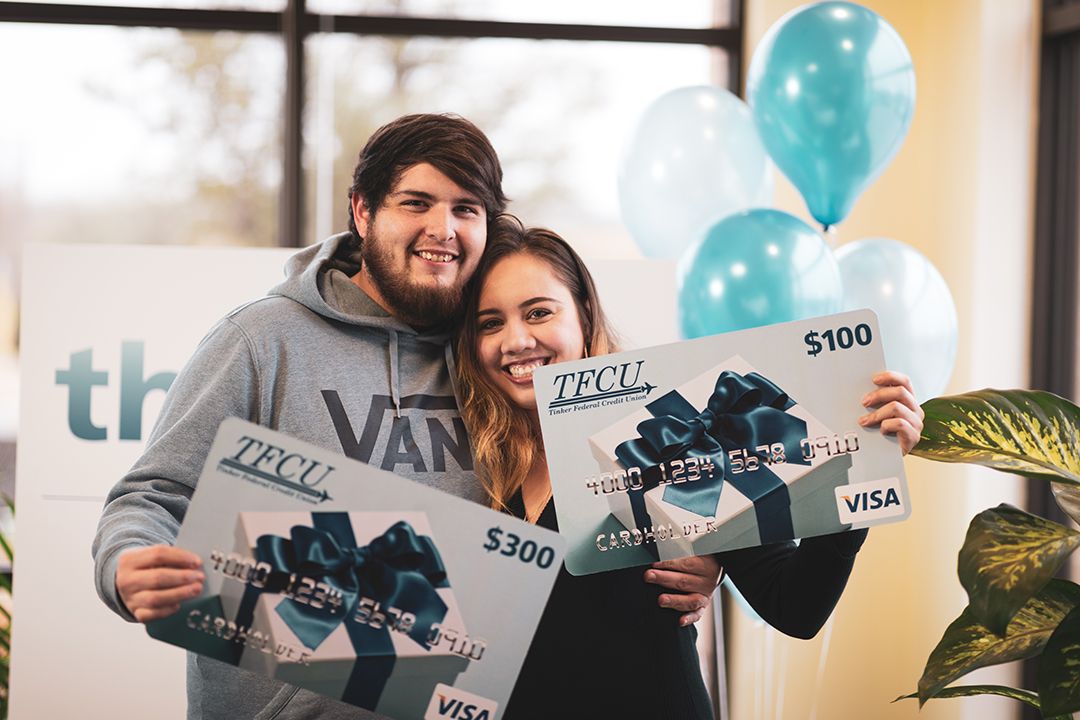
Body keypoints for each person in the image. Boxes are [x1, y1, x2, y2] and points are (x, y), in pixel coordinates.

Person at [92, 114, 719, 720]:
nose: (441, 228)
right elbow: (154, 494)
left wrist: (690, 556)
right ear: (364, 211)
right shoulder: (260, 339)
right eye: (416, 203)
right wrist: (126, 565)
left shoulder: (493, 359)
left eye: (465, 208)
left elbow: (570, 526)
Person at [454, 215, 924, 718]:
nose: (516, 340)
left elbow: (796, 607)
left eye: (539, 312)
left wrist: (862, 469)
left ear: (584, 314)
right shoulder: (470, 459)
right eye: (491, 323)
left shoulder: (672, 430)